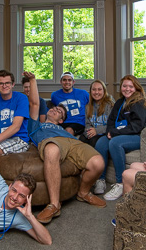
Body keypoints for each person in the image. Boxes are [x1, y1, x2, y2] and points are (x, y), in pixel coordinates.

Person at [24, 71, 106, 224]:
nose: (55, 109)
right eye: (54, 108)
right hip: (51, 141)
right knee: (52, 149)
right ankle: (54, 205)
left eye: (59, 112)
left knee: (98, 162)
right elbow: (35, 103)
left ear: (61, 121)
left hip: (71, 142)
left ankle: (83, 192)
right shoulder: (36, 125)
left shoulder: (64, 129)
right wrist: (33, 80)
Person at [94, 75, 146, 200]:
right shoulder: (119, 102)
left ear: (136, 88)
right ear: (121, 87)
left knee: (115, 143)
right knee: (101, 143)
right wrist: (109, 131)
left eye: (131, 86)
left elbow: (136, 127)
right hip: (122, 133)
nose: (127, 89)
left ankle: (120, 183)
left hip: (138, 135)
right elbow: (111, 120)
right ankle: (101, 179)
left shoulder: (139, 102)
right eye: (124, 86)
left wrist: (115, 133)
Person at [50, 72, 90, 136]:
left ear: (73, 82)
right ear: (61, 82)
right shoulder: (55, 95)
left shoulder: (83, 94)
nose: (67, 82)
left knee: (69, 130)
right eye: (64, 80)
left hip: (78, 122)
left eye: (69, 80)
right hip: (62, 122)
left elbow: (93, 105)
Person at [80, 79, 114, 148]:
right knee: (82, 139)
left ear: (104, 91)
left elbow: (112, 125)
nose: (96, 92)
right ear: (90, 91)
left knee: (93, 141)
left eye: (99, 89)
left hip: (104, 132)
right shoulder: (88, 106)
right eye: (94, 89)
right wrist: (89, 132)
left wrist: (97, 130)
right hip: (92, 132)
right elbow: (87, 123)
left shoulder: (110, 105)